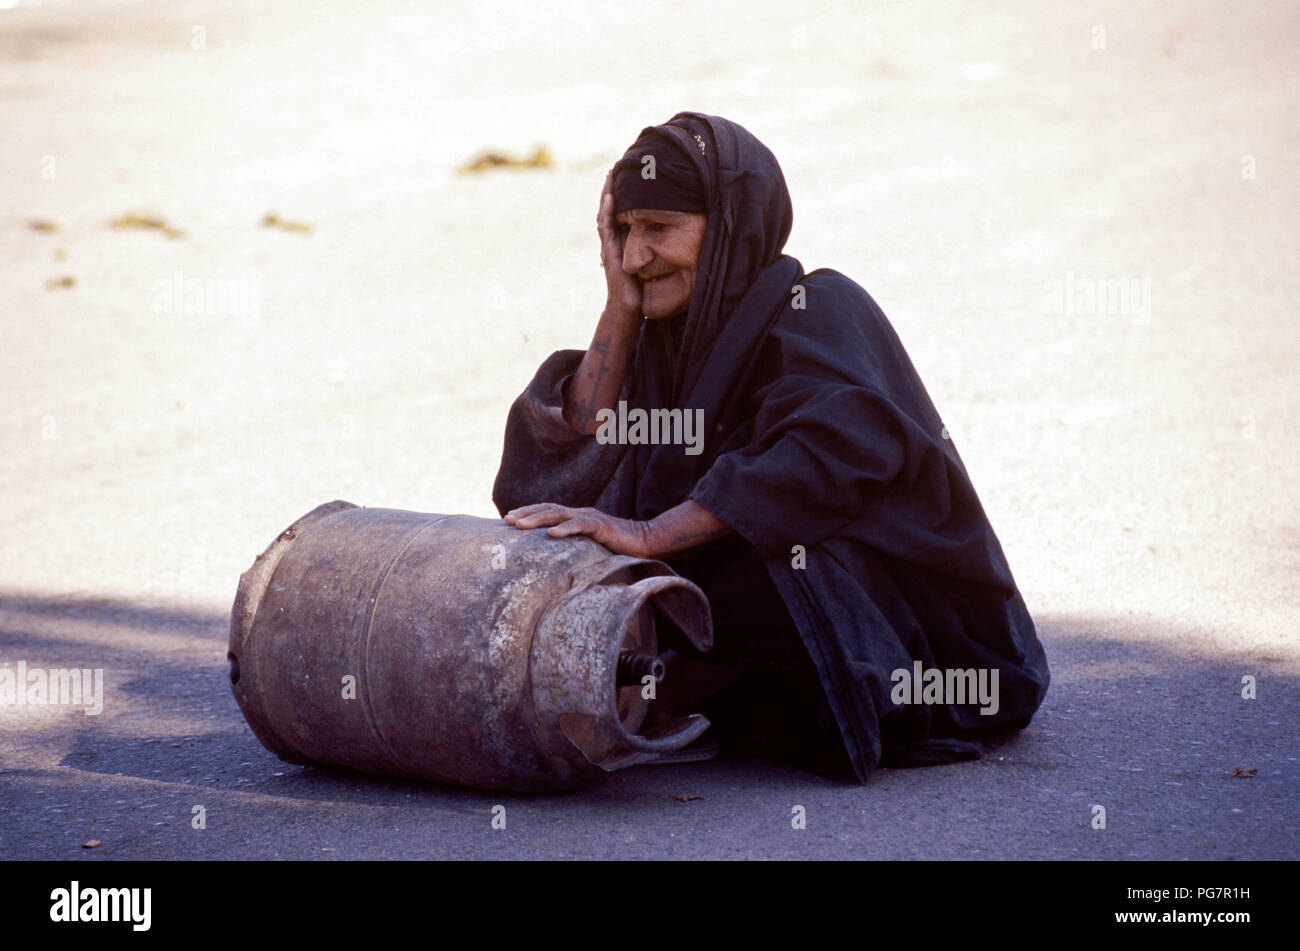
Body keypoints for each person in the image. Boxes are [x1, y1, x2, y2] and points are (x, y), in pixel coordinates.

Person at [492, 111, 1049, 781]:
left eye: (659, 229)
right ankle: (684, 680)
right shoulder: (663, 335)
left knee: (783, 555)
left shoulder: (820, 307)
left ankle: (685, 681)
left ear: (728, 227)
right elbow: (570, 455)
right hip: (740, 603)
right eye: (625, 233)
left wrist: (648, 531)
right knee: (561, 547)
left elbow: (819, 459)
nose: (638, 257)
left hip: (917, 633)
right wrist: (619, 306)